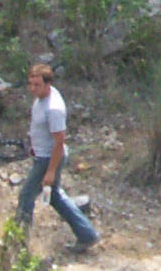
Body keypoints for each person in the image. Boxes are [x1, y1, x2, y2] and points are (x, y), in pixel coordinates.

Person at [18, 58, 100, 252]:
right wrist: (33, 146)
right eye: (30, 83)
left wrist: (51, 172)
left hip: (48, 159)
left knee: (26, 196)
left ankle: (19, 242)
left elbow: (59, 141)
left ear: (48, 83)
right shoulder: (42, 98)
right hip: (42, 155)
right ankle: (87, 235)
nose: (32, 88)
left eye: (37, 84)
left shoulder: (53, 108)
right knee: (55, 196)